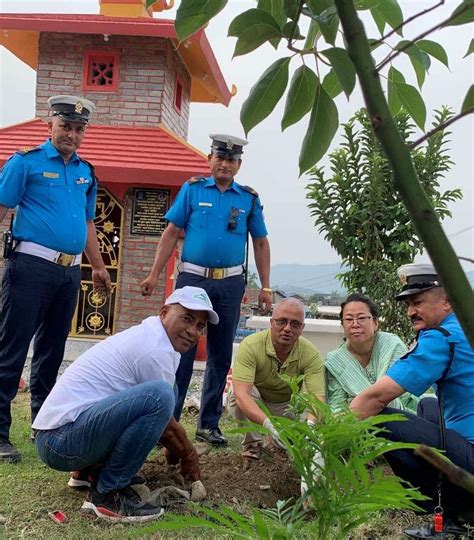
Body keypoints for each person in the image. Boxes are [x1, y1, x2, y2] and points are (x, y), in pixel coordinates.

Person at [33, 286, 218, 523]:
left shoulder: (152, 336)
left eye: (200, 326)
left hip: (60, 437)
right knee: (161, 394)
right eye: (187, 319)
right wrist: (188, 454)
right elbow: (165, 424)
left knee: (165, 390)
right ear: (164, 313)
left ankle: (90, 471)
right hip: (59, 442)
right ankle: (107, 494)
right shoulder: (154, 349)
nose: (193, 331)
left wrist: (175, 446)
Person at [140, 134, 272, 446]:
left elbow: (261, 242)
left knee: (220, 353)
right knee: (180, 347)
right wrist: (154, 275)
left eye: (231, 160)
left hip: (229, 284)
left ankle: (209, 424)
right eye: (220, 157)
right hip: (193, 281)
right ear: (209, 159)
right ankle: (168, 421)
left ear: (238, 165)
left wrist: (266, 286)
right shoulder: (192, 189)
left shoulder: (248, 199)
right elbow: (171, 232)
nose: (225, 164)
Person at [0, 95, 111, 463]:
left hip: (68, 273)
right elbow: (2, 207)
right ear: (50, 126)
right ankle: (0, 433)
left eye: (79, 129)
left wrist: (96, 266)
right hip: (29, 268)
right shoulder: (25, 163)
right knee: (11, 349)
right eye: (66, 126)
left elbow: (87, 223)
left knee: (52, 352)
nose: (72, 135)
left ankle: (42, 425)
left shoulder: (87, 172)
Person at [350, 264, 474, 535]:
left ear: (447, 301)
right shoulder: (464, 325)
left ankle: (451, 507)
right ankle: (458, 509)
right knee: (427, 406)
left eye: (417, 302)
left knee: (381, 421)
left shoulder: (443, 337)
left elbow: (376, 397)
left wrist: (328, 436)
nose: (410, 312)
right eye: (407, 304)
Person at [228, 298, 325, 458]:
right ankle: (253, 445)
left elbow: (317, 398)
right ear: (272, 322)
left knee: (310, 402)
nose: (287, 329)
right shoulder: (251, 345)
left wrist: (311, 428)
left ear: (302, 328)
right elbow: (242, 395)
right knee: (235, 394)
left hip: (288, 407)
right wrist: (268, 424)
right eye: (282, 322)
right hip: (258, 403)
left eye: (295, 324)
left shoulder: (310, 353)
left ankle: (294, 444)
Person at [325, 293, 418, 413]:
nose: (355, 324)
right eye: (348, 319)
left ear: (375, 323)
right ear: (342, 325)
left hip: (404, 415)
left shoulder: (392, 345)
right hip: (356, 423)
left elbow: (392, 396)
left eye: (361, 318)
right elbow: (337, 405)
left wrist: (357, 402)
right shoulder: (335, 360)